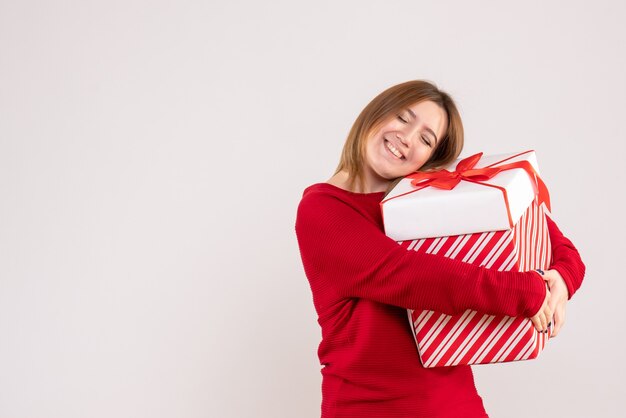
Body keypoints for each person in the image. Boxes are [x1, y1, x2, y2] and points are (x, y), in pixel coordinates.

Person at [294, 80, 586, 417]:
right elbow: (406, 275)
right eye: (403, 118)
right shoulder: (322, 208)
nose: (407, 137)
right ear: (374, 114)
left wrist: (561, 279)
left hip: (456, 404)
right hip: (370, 408)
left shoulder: (432, 197)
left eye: (426, 138)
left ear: (431, 157)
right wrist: (525, 291)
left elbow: (541, 231)